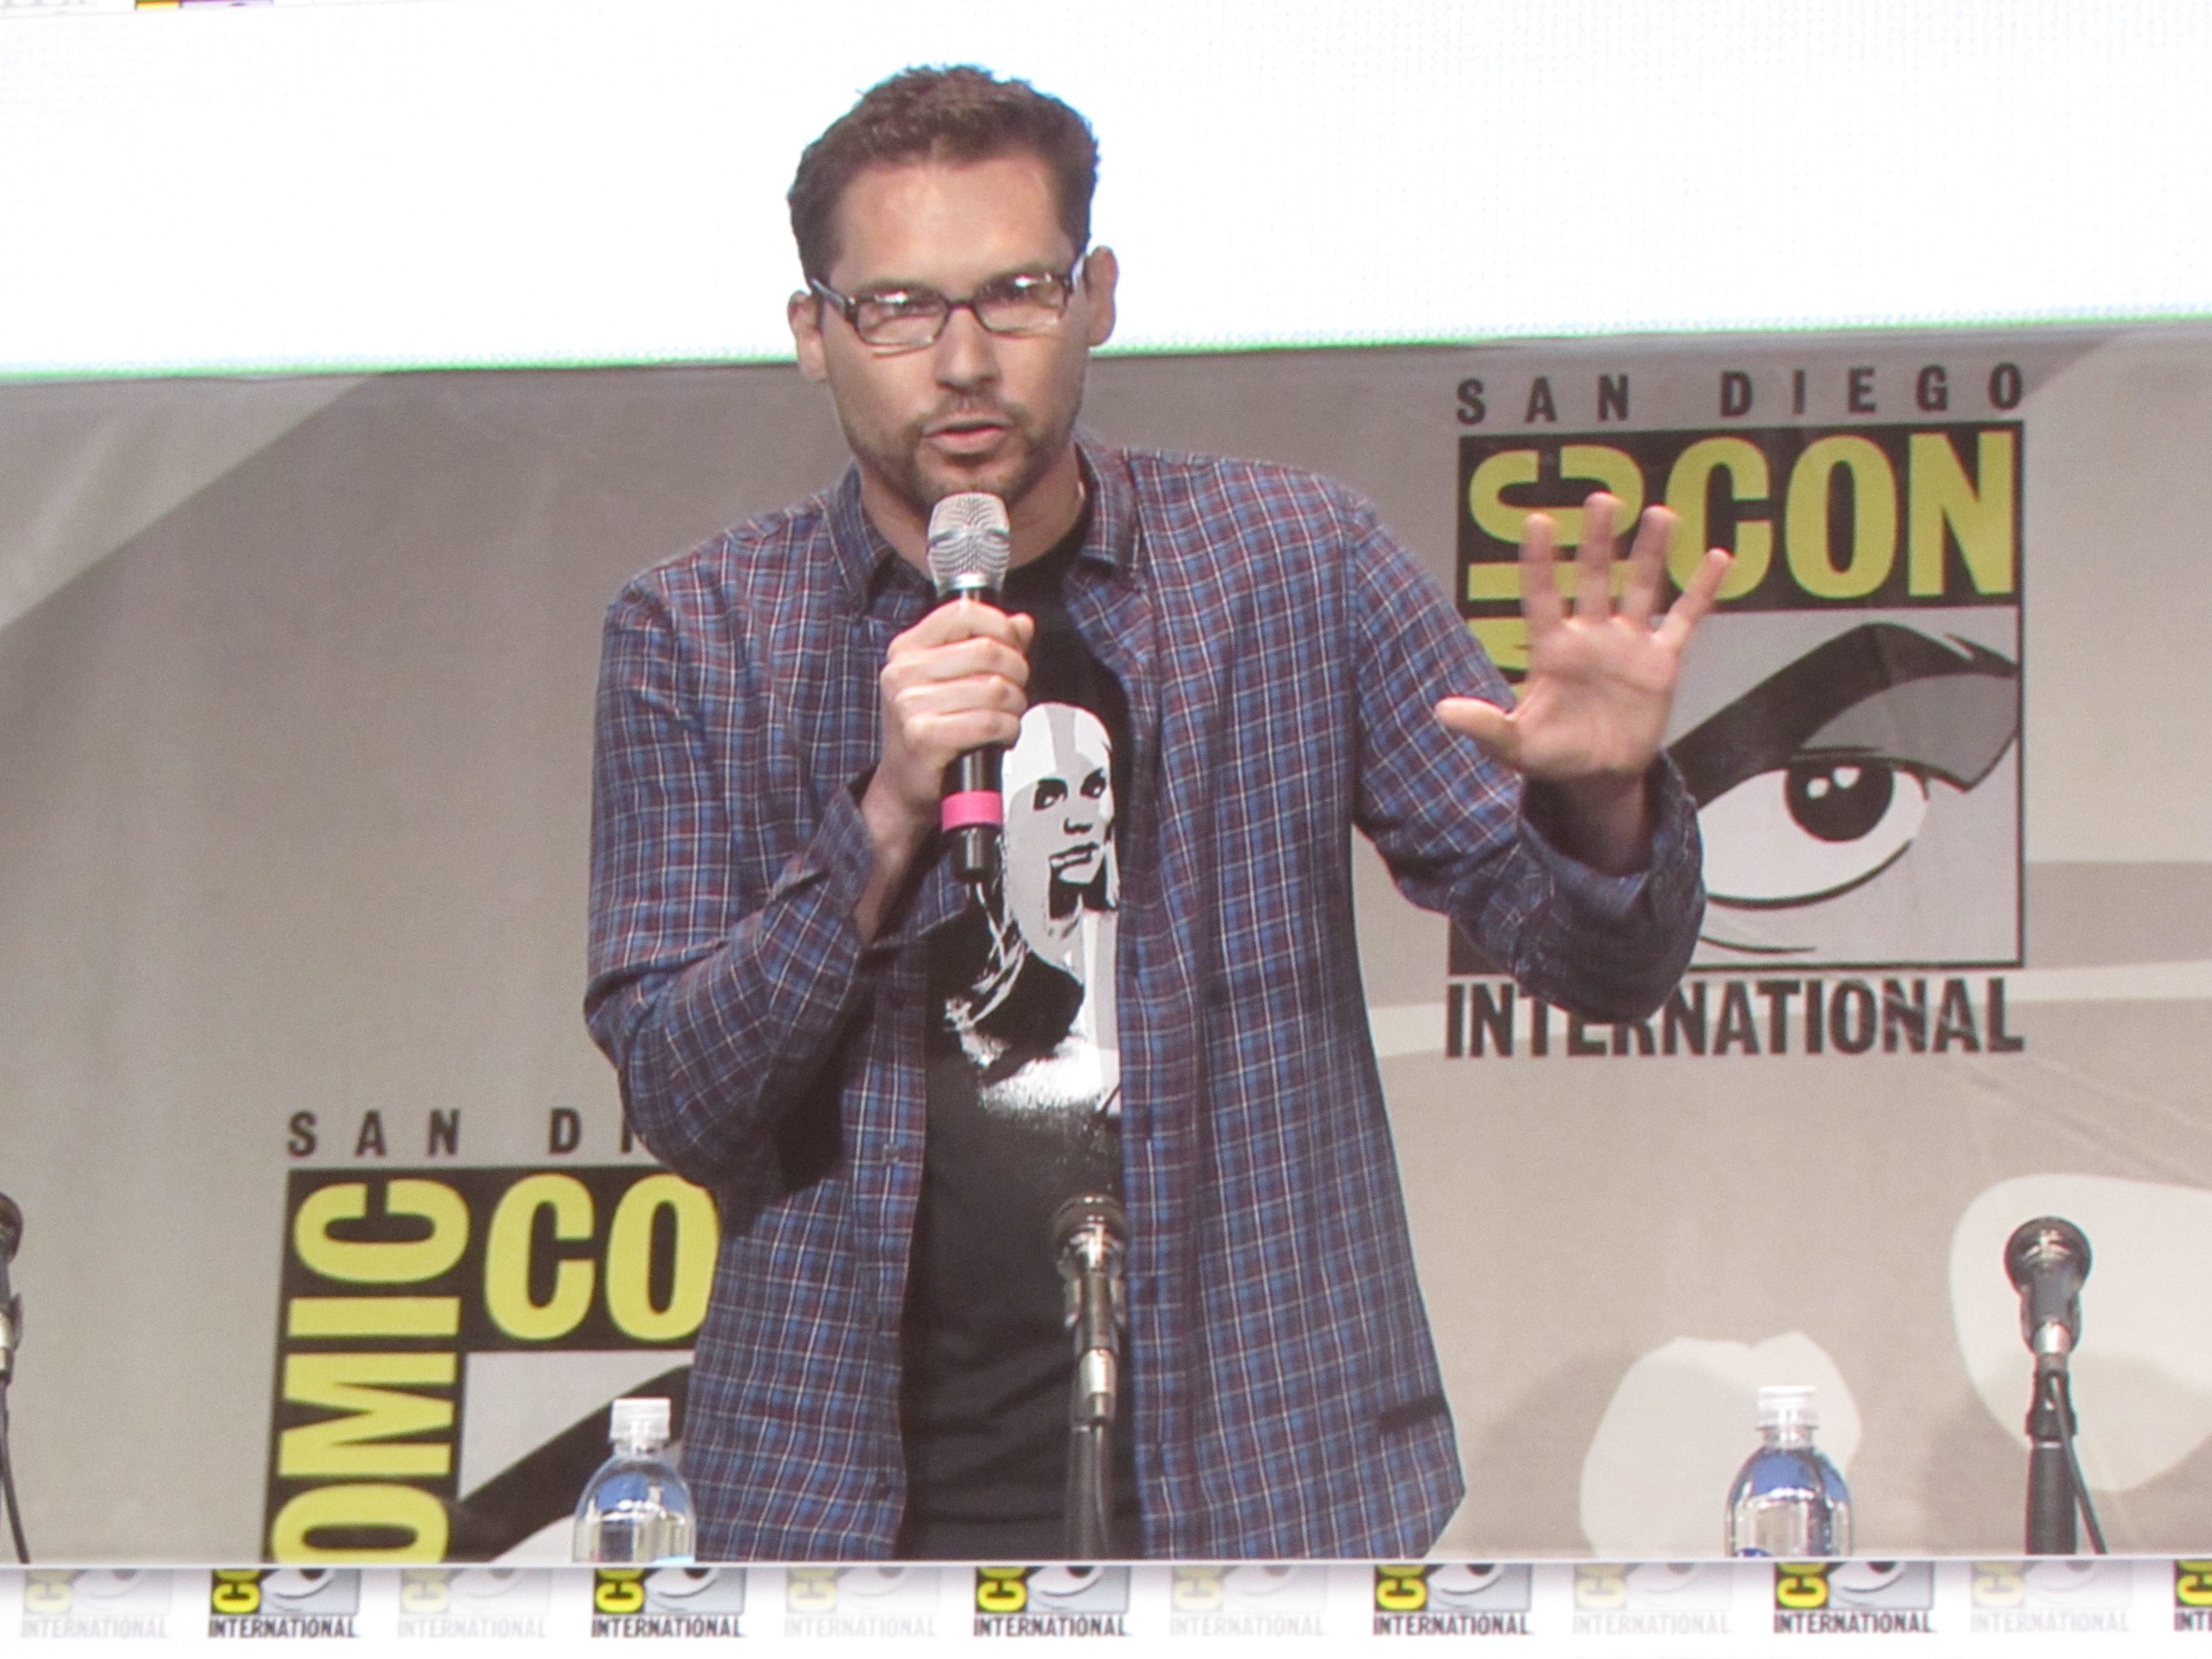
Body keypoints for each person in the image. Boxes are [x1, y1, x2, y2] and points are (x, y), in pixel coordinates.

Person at [586, 65, 1729, 1562]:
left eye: (1017, 293)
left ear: (1099, 297)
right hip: (847, 1511)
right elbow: (682, 1094)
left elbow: (1601, 962)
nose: (966, 362)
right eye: (901, 309)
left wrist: (1601, 798)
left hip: (1264, 1485)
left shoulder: (1292, 566)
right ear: (815, 332)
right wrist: (885, 812)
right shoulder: (701, 632)